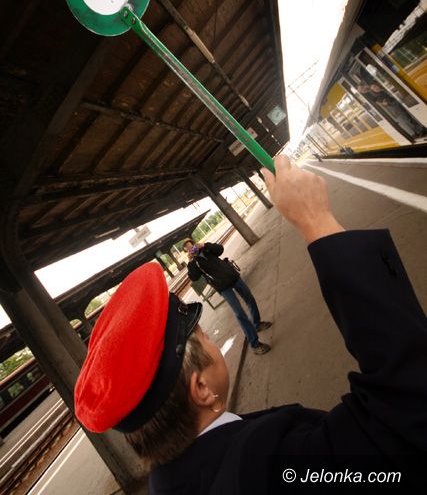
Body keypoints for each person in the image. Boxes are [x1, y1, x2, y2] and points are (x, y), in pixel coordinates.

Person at [74, 156, 427, 493]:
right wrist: (317, 221)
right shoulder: (270, 468)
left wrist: (204, 249)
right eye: (203, 336)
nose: (210, 338)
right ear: (201, 388)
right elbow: (406, 424)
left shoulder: (171, 481)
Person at [182, 237, 271, 354]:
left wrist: (205, 245)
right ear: (187, 252)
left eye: (192, 246)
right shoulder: (195, 263)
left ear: (195, 244)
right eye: (188, 249)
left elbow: (220, 249)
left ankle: (257, 324)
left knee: (250, 299)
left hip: (233, 277)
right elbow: (194, 277)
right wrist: (190, 262)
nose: (192, 249)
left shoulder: (207, 249)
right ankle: (254, 343)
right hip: (223, 287)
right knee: (240, 313)